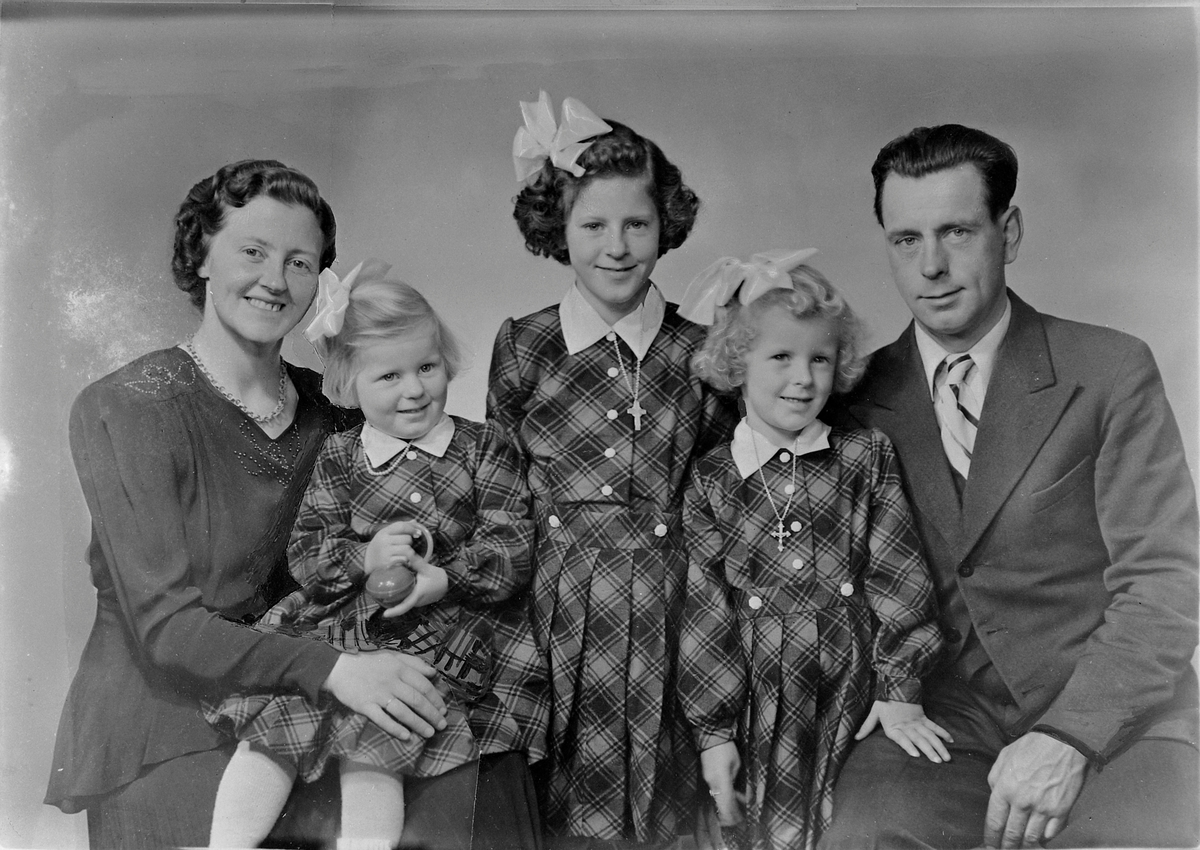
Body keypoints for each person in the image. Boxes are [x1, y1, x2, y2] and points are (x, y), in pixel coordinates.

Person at [44, 160, 451, 849]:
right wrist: (339, 671)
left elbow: (382, 548)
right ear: (201, 254)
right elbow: (166, 628)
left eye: (299, 262)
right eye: (253, 252)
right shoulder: (127, 408)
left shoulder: (337, 411)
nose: (274, 280)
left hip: (302, 704)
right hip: (165, 723)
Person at [818, 124, 1200, 849]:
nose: (931, 266)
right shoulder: (850, 399)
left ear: (1009, 231)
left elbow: (1166, 584)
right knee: (863, 837)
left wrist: (1069, 736)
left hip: (1117, 720)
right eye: (906, 240)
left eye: (957, 231)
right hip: (941, 722)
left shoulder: (1109, 369)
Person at [203, 266, 547, 849]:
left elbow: (511, 541)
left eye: (427, 368)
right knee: (271, 733)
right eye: (389, 375)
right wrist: (364, 556)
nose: (414, 389)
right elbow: (308, 551)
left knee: (375, 747)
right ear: (349, 383)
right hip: (344, 632)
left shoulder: (482, 446)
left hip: (444, 636)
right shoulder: (340, 456)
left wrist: (446, 576)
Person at [487, 91, 738, 847]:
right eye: (593, 225)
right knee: (539, 806)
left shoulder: (703, 351)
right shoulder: (525, 344)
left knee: (657, 809)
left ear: (667, 225)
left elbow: (723, 487)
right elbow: (497, 486)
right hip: (548, 611)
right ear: (558, 230)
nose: (617, 245)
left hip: (666, 609)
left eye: (637, 223)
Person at [675, 251, 947, 850]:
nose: (803, 379)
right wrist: (714, 731)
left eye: (819, 359)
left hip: (846, 688)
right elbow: (702, 609)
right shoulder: (713, 479)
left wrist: (899, 689)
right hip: (751, 696)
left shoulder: (863, 457)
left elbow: (898, 574)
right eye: (781, 358)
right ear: (736, 363)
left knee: (845, 825)